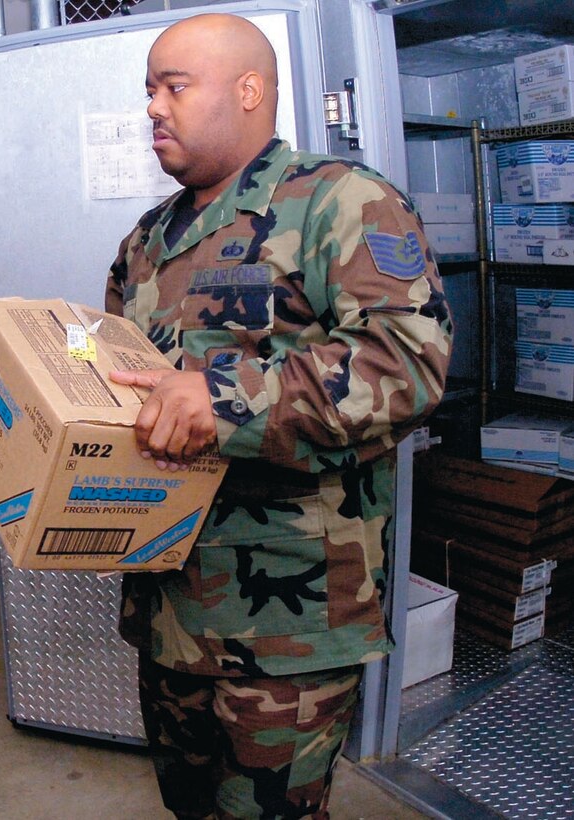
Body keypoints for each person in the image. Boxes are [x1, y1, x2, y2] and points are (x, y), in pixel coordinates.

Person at [105, 14, 453, 820]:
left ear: (250, 91)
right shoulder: (147, 242)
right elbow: (132, 393)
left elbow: (406, 363)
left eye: (174, 87)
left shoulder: (340, 202)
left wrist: (221, 401)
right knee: (189, 805)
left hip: (288, 628)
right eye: (149, 91)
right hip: (169, 610)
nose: (154, 108)